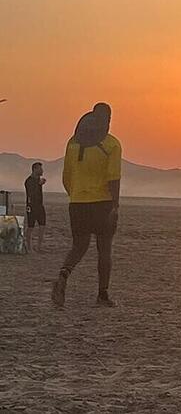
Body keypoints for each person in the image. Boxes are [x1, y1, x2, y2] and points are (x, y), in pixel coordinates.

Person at [51, 103, 122, 307]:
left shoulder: (73, 143)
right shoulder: (111, 144)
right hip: (103, 203)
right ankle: (102, 295)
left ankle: (64, 275)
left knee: (79, 246)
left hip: (77, 202)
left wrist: (75, 195)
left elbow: (66, 176)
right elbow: (113, 178)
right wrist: (115, 205)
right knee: (104, 249)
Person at [24, 162, 47, 253]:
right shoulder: (29, 181)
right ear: (35, 169)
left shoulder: (38, 180)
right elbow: (31, 193)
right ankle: (29, 247)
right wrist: (39, 184)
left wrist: (40, 183)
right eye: (40, 169)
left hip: (40, 206)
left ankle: (39, 247)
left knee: (42, 225)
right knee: (30, 227)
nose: (42, 171)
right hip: (31, 206)